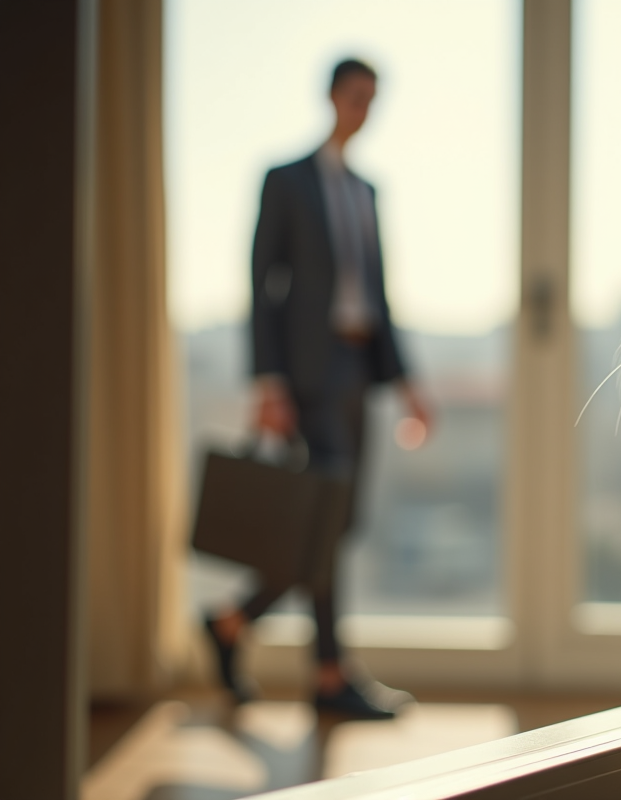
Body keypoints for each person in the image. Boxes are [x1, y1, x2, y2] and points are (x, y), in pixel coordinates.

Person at [204, 58, 432, 719]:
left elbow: (379, 300)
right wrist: (268, 381)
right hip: (309, 373)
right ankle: (329, 676)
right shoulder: (287, 181)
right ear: (333, 97)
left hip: (359, 369)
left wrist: (409, 386)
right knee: (326, 519)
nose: (364, 109)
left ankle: (231, 623)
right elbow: (262, 284)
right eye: (357, 96)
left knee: (336, 523)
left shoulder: (367, 192)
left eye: (373, 99)